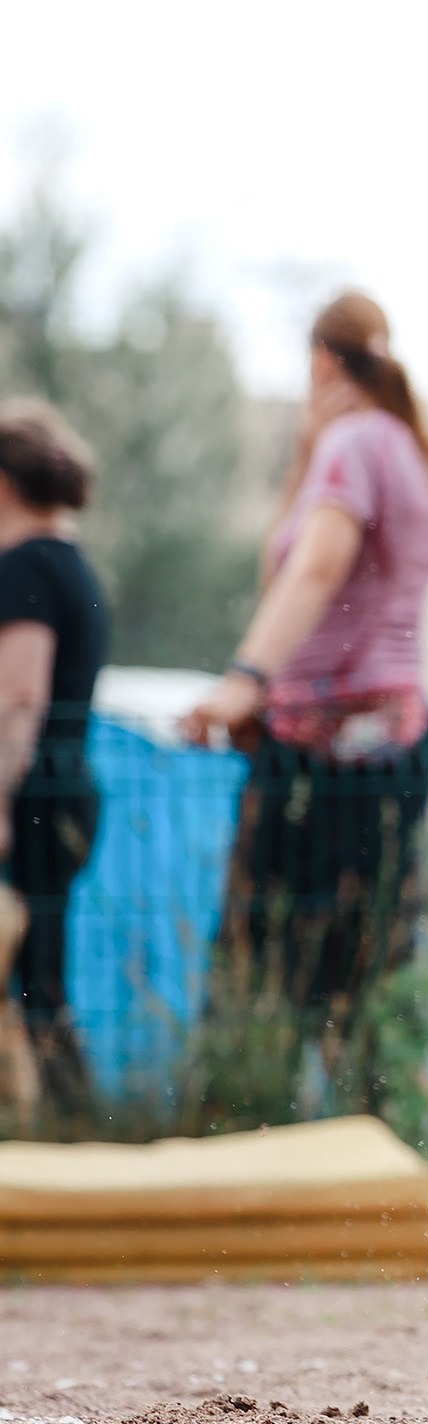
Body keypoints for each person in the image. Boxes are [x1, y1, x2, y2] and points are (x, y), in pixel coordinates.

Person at [178, 292, 428, 1109]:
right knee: (367, 964)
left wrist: (246, 677)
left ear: (322, 361)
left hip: (323, 747)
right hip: (394, 737)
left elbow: (319, 565)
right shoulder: (409, 448)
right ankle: (386, 1133)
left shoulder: (352, 442)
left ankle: (245, 1121)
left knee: (262, 958)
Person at [0, 399, 111, 1108]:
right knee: (42, 972)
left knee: (34, 977)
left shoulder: (25, 568)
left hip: (31, 793)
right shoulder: (71, 565)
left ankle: (69, 1115)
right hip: (65, 786)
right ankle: (69, 1113)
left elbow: (18, 695)